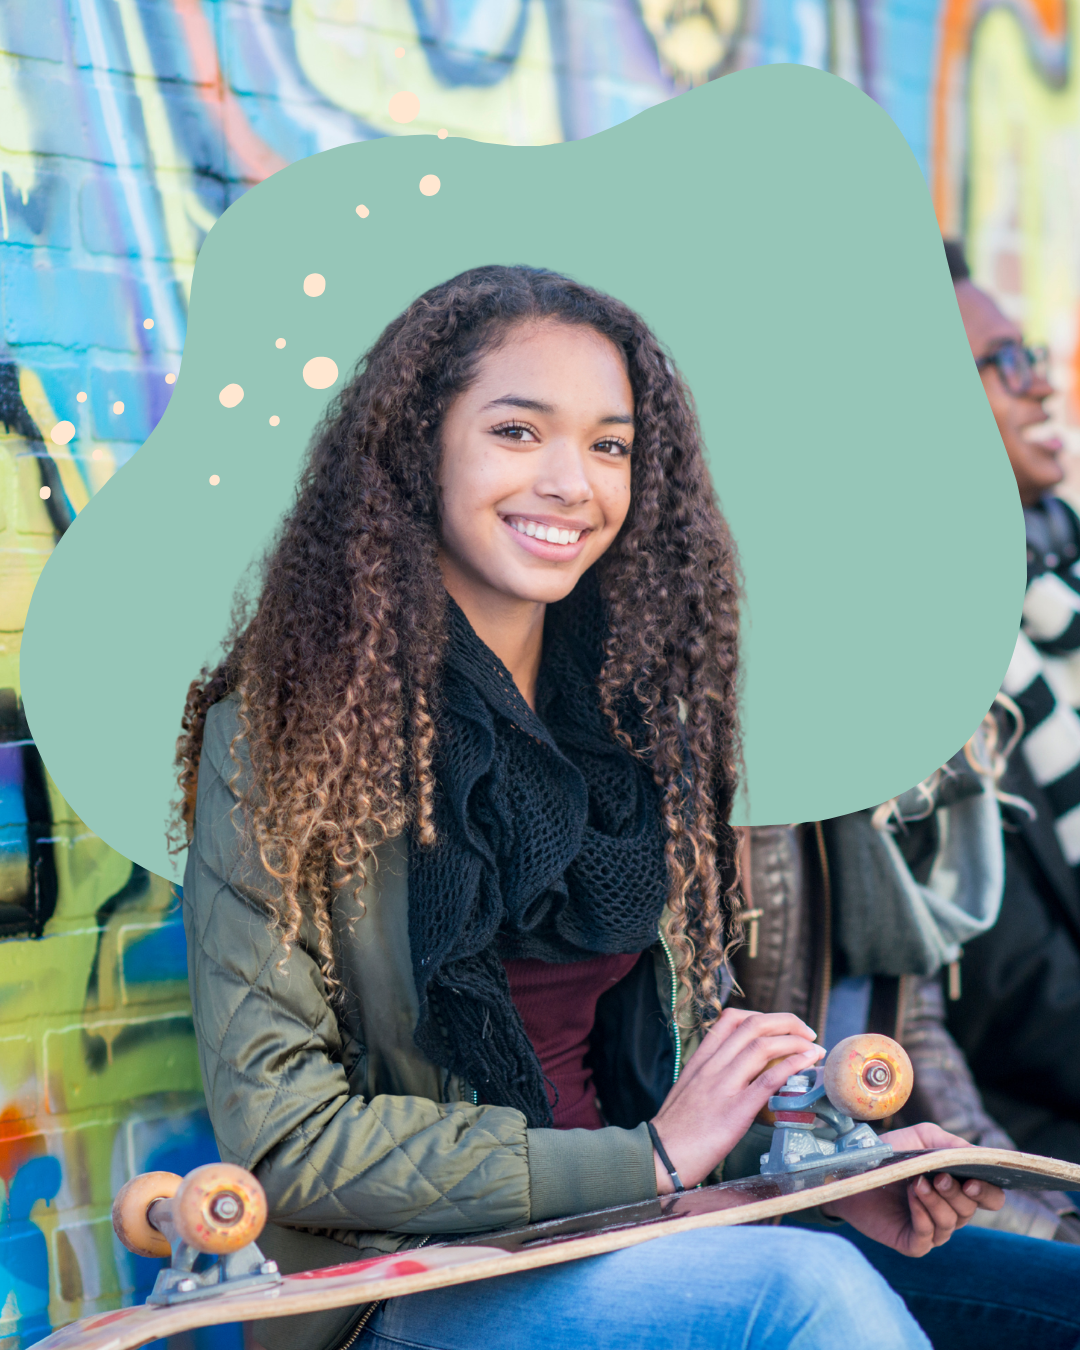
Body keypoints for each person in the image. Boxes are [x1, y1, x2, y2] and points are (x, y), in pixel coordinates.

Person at [176, 265, 1080, 1350]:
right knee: (803, 1299)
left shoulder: (638, 718)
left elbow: (662, 1092)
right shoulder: (285, 732)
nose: (573, 481)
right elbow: (288, 1137)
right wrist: (645, 1162)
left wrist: (819, 1174)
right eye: (520, 432)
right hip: (407, 1288)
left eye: (610, 445)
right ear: (421, 446)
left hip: (654, 1224)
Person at [941, 240, 1080, 1169]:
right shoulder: (929, 648)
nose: (1042, 387)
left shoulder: (1057, 589)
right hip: (1033, 1133)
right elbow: (995, 978)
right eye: (1007, 364)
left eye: (1032, 356)